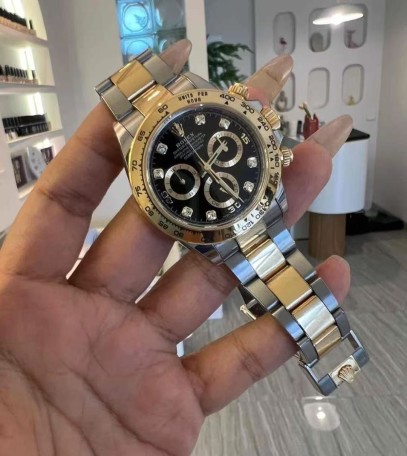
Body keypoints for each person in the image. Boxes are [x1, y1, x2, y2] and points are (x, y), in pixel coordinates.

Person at [0, 40, 352, 455]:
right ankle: (325, 341)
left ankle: (326, 339)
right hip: (217, 219)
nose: (207, 167)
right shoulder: (142, 154)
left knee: (276, 276)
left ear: (265, 132)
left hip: (242, 208)